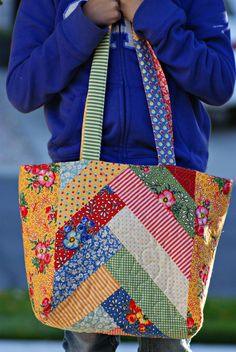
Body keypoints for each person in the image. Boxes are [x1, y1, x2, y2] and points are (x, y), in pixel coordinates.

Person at [6, 0, 235, 351]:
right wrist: (85, 21)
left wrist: (148, 13)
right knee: (86, 338)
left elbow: (219, 83)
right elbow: (23, 88)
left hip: (167, 185)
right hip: (84, 190)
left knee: (168, 339)